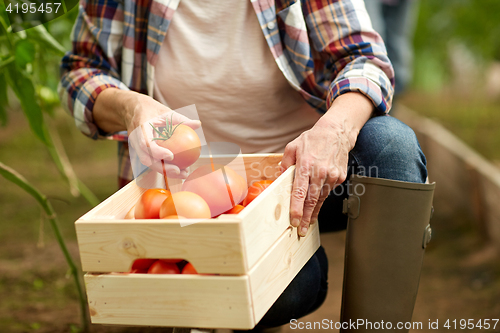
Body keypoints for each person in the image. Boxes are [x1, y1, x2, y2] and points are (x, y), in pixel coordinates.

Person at [59, 0, 434, 331]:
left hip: (311, 172)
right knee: (287, 290)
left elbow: (364, 56)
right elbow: (79, 70)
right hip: (199, 195)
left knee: (391, 148)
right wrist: (133, 106)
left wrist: (334, 130)